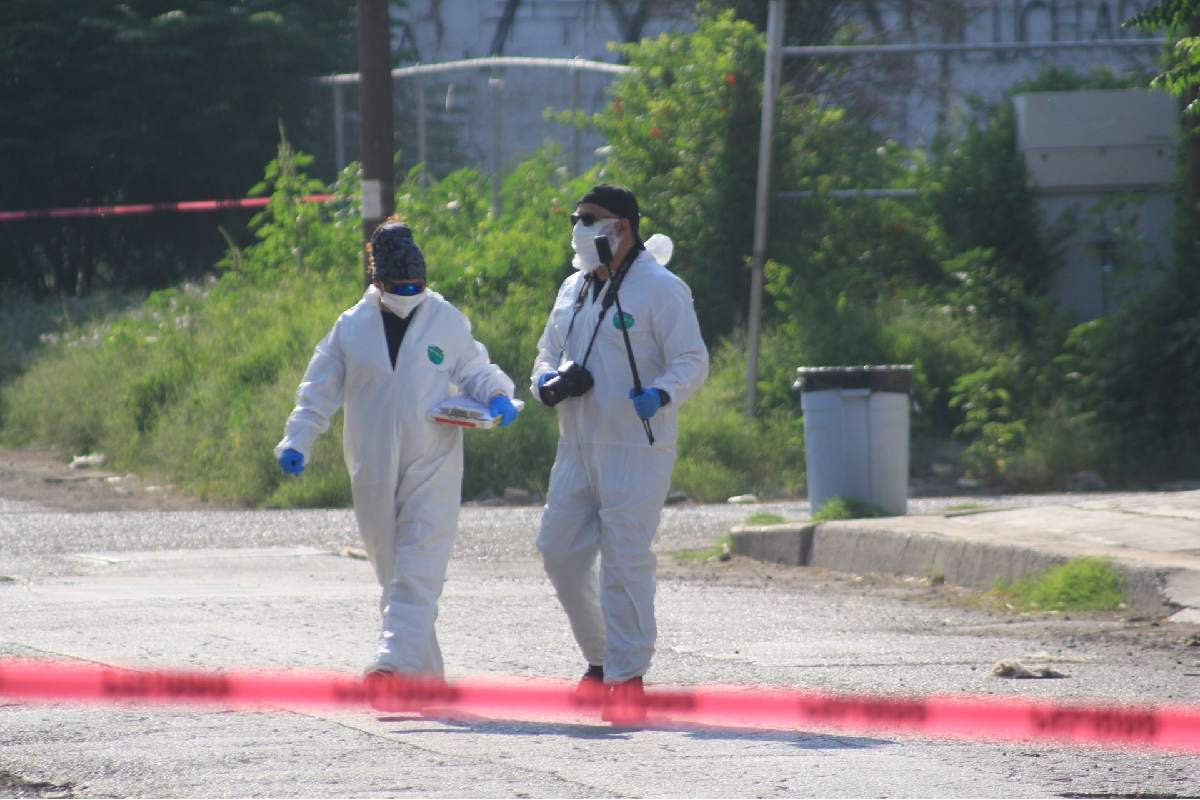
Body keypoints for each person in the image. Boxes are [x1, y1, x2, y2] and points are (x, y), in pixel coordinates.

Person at [275, 217, 519, 693]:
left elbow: (474, 367)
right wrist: (297, 439)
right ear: (377, 280)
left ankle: (388, 664)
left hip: (434, 461)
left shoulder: (445, 318)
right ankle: (426, 683)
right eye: (400, 285)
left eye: (417, 284)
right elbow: (318, 389)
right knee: (393, 574)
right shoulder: (352, 326)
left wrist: (496, 395)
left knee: (419, 568)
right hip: (369, 465)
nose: (410, 292)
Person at [530, 184, 709, 723]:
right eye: (575, 218)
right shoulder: (573, 287)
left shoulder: (661, 288)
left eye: (589, 219)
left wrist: (661, 393)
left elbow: (692, 359)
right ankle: (601, 656)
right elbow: (546, 352)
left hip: (637, 444)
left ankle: (626, 676)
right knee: (558, 551)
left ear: (622, 227)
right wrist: (547, 383)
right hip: (576, 444)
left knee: (625, 560)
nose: (579, 227)